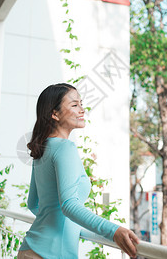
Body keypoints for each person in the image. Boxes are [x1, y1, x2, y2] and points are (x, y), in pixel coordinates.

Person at [17, 83, 139, 259]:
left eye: (81, 103)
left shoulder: (43, 148)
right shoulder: (64, 148)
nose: (82, 110)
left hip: (30, 249)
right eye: (74, 105)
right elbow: (69, 205)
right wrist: (114, 231)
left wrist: (66, 225)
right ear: (55, 113)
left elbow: (33, 203)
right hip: (49, 255)